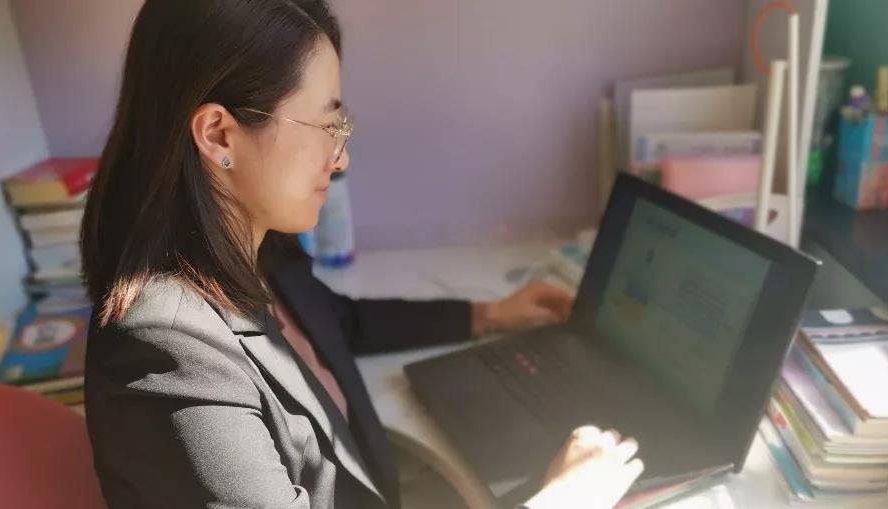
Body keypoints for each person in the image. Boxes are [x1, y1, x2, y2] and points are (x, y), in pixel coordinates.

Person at [80, 1, 644, 508]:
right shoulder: (167, 356)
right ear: (219, 135)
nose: (341, 157)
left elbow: (337, 322)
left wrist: (488, 315)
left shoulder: (256, 247)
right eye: (326, 125)